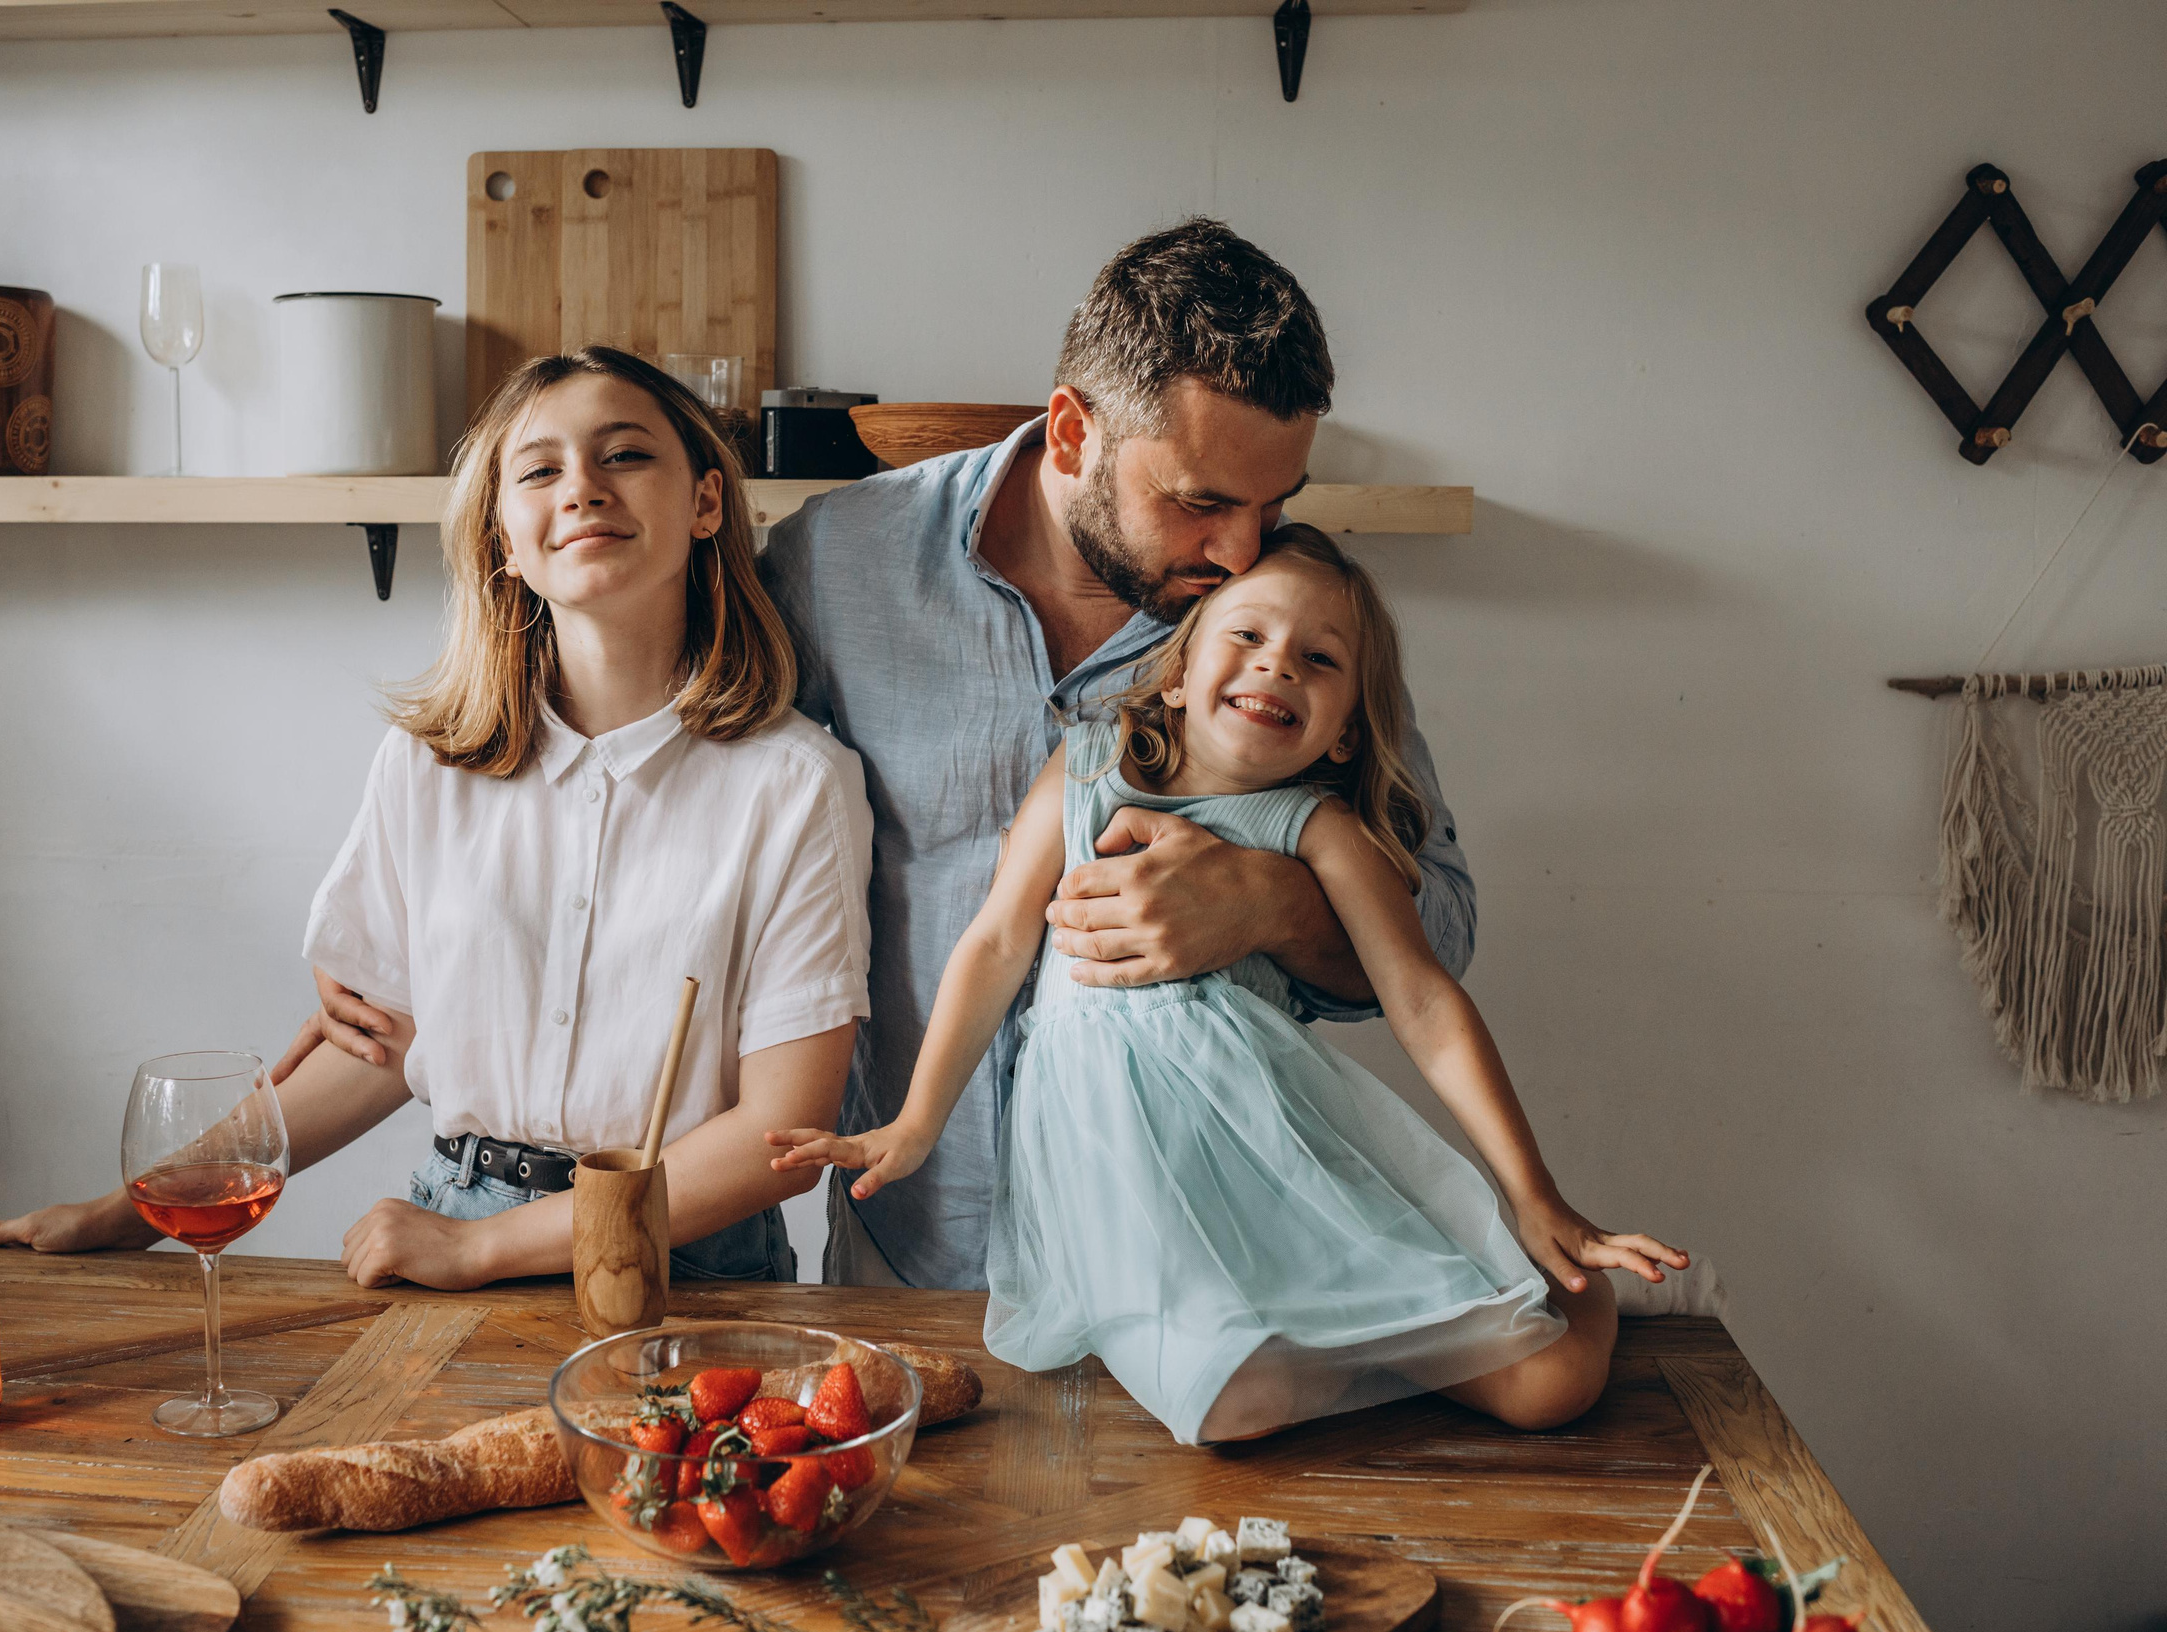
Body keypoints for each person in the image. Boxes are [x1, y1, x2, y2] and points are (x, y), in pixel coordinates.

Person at [303, 218, 1481, 1292]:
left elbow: (1448, 925)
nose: (1239, 549)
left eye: (1271, 506)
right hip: (918, 1266)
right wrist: (423, 944)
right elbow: (664, 769)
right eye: (1197, 502)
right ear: (1071, 429)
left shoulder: (1283, 620)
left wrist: (1270, 905)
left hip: (1202, 1259)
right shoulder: (836, 564)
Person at [770, 528, 1686, 1443]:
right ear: (1176, 672)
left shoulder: (1318, 831)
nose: (1278, 663)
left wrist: (1534, 1192)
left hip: (1282, 1174)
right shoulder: (1088, 768)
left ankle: (1567, 1286)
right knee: (1231, 1412)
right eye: (1247, 636)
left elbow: (1426, 1004)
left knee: (1552, 1388)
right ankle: (1330, 1347)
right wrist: (915, 1123)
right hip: (1129, 1195)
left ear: (1347, 732)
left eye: (1319, 659)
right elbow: (997, 943)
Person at [0, 346, 873, 1289]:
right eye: (539, 470)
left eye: (624, 455)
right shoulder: (427, 766)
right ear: (504, 533)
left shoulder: (797, 787)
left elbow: (779, 1135)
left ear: (705, 503)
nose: (581, 488)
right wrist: (138, 1211)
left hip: (685, 1262)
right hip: (447, 1213)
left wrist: (481, 1248)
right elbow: (374, 1052)